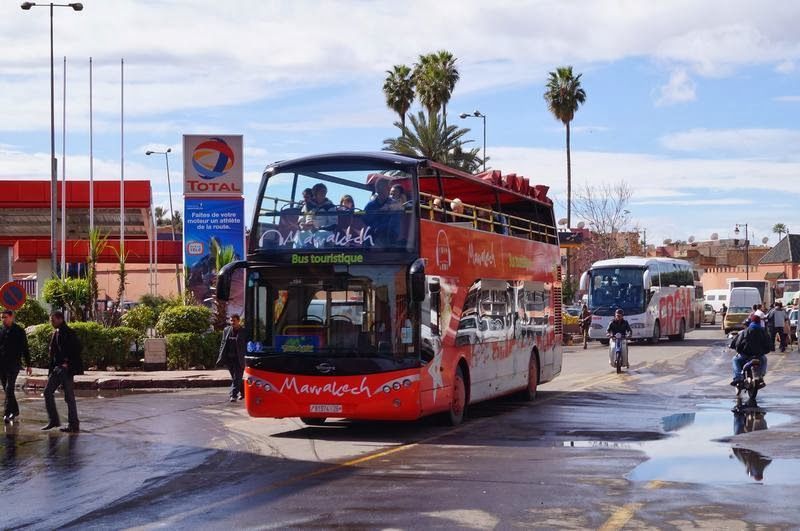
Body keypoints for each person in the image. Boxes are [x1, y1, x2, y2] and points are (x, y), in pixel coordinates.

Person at [42, 311, 83, 433]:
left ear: (60, 319)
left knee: (69, 397)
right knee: (48, 392)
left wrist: (67, 362)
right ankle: (54, 420)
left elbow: (78, 348)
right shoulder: (57, 332)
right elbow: (53, 353)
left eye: (53, 320)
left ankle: (73, 425)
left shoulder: (69, 333)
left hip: (66, 369)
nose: (51, 323)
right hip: (57, 368)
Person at [0, 310, 31, 423]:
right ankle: (16, 410)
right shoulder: (1, 330)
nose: (3, 319)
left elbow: (25, 348)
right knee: (7, 389)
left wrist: (28, 364)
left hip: (14, 365)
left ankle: (7, 414)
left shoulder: (19, 331)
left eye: (5, 317)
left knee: (9, 388)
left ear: (12, 317)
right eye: (2, 317)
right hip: (2, 365)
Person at [730, 314, 771, 386]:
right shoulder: (764, 332)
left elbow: (738, 343)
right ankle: (761, 376)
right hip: (759, 356)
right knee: (764, 359)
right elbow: (769, 345)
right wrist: (763, 352)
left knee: (735, 360)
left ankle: (738, 378)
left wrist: (738, 350)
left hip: (745, 355)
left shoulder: (745, 331)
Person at [217, 314, 248, 403]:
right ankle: (243, 392)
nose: (232, 322)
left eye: (234, 320)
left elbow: (247, 344)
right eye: (231, 321)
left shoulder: (244, 331)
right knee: (236, 378)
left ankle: (233, 395)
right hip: (229, 359)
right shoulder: (226, 330)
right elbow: (223, 343)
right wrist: (221, 354)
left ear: (239, 321)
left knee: (237, 377)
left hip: (239, 359)